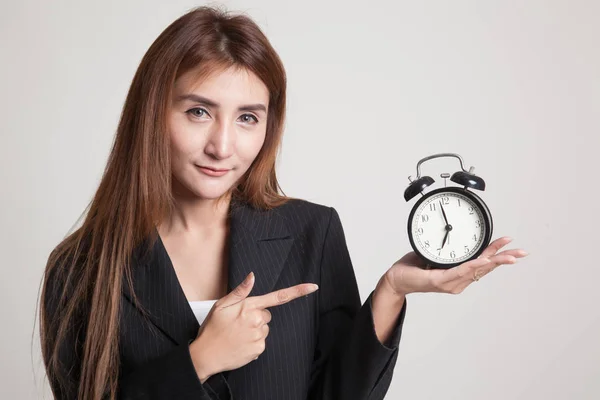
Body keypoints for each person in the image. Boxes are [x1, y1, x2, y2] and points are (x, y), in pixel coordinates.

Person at [39, 5, 528, 400]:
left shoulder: (311, 232)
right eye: (198, 111)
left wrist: (391, 291)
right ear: (152, 113)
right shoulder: (80, 268)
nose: (222, 145)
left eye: (248, 118)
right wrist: (200, 361)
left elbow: (339, 393)